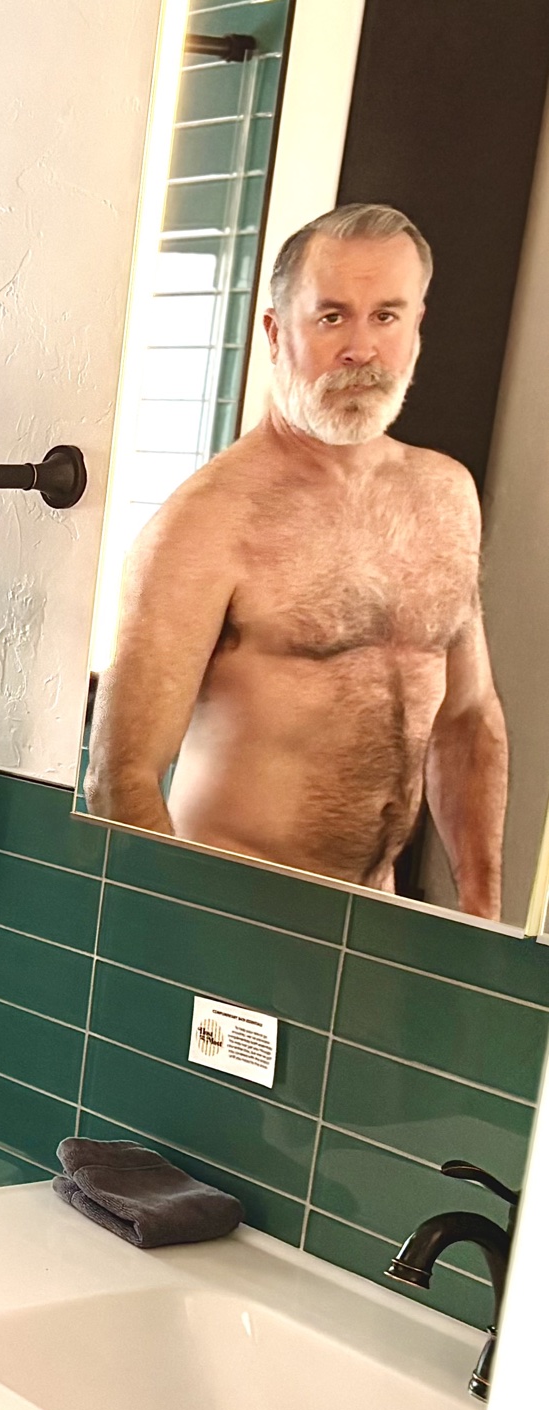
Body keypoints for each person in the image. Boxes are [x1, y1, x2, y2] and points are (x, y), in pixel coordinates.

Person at [85, 202, 508, 916]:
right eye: (331, 317)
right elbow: (120, 779)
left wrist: (480, 915)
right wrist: (175, 937)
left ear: (416, 327)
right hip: (230, 917)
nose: (361, 349)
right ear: (276, 333)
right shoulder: (208, 522)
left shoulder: (446, 494)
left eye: (386, 316)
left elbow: (466, 718)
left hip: (373, 917)